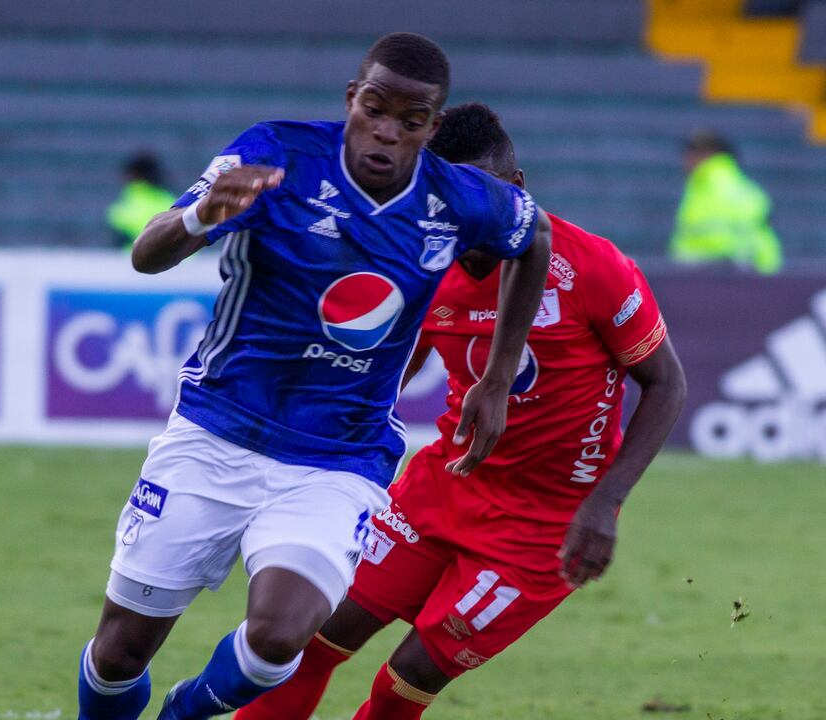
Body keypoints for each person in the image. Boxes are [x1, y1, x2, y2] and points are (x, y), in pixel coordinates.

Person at [78, 34, 552, 720]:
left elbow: (531, 238)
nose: (386, 133)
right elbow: (147, 255)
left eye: (410, 121)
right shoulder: (278, 154)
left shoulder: (457, 199)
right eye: (374, 109)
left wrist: (498, 375)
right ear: (350, 99)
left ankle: (186, 713)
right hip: (218, 429)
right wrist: (200, 215)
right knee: (119, 653)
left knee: (278, 640)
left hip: (337, 457)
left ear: (432, 128)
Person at [236, 103, 686, 720]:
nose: (471, 214)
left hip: (539, 527)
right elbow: (390, 374)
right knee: (309, 635)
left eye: (487, 191)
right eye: (452, 193)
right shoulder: (421, 262)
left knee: (405, 681)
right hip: (441, 487)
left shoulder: (591, 267)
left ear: (518, 188)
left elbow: (666, 383)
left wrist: (605, 502)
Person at [669, 130, 782, 275]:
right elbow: (767, 246)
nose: (685, 161)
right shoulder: (752, 192)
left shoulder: (702, 189)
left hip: (707, 281)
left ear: (706, 155)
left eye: (691, 154)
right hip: (749, 279)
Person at [107, 152, 177, 248]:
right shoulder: (172, 201)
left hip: (133, 261)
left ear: (133, 175)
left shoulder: (124, 207)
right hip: (182, 261)